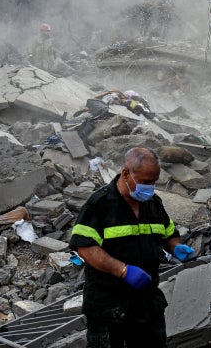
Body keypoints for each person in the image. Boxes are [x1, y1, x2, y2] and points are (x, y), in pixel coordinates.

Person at [69, 147, 195, 347]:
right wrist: (123, 271)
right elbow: (86, 248)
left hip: (146, 302)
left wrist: (177, 247)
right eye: (145, 182)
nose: (151, 187)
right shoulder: (99, 204)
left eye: (154, 181)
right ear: (126, 173)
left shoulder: (153, 203)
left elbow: (168, 234)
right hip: (108, 306)